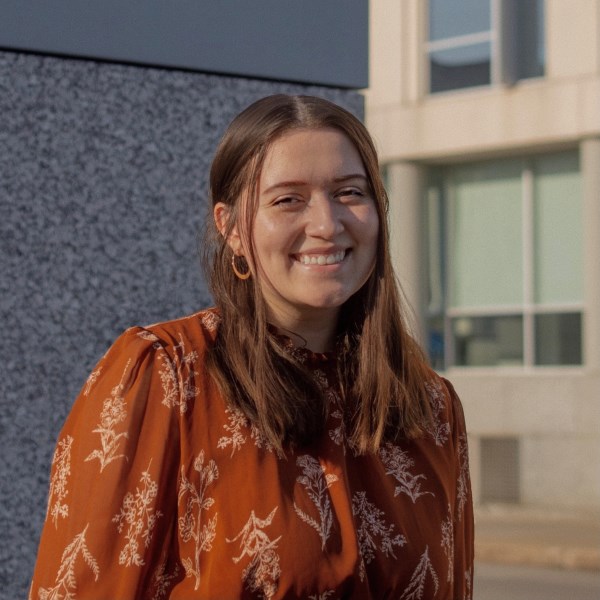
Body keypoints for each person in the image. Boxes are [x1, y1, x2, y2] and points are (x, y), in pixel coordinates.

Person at [30, 94, 474, 599]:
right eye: (288, 199)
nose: (327, 225)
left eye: (350, 193)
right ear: (232, 227)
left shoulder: (430, 406)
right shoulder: (166, 378)